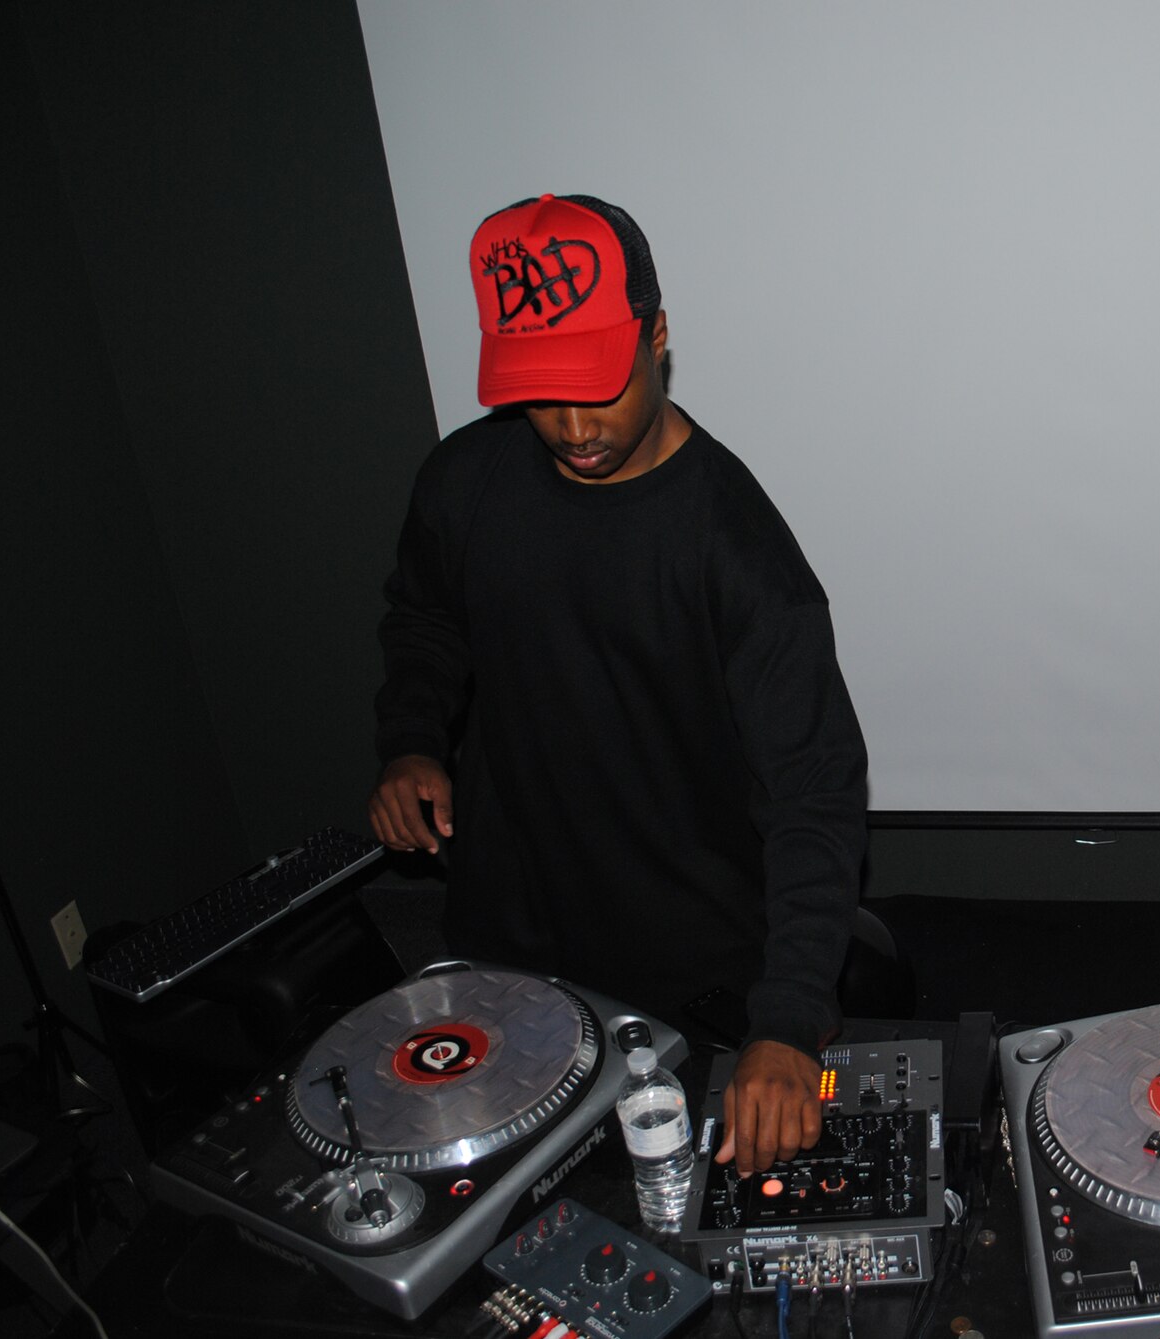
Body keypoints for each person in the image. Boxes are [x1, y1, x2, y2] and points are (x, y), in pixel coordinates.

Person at [368, 193, 868, 1178]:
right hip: (508, 930)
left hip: (688, 964)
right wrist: (412, 737)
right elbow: (424, 616)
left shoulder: (737, 551)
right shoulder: (463, 480)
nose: (570, 424)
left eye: (596, 383)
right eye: (541, 390)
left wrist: (787, 1022)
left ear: (658, 335)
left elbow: (814, 790)